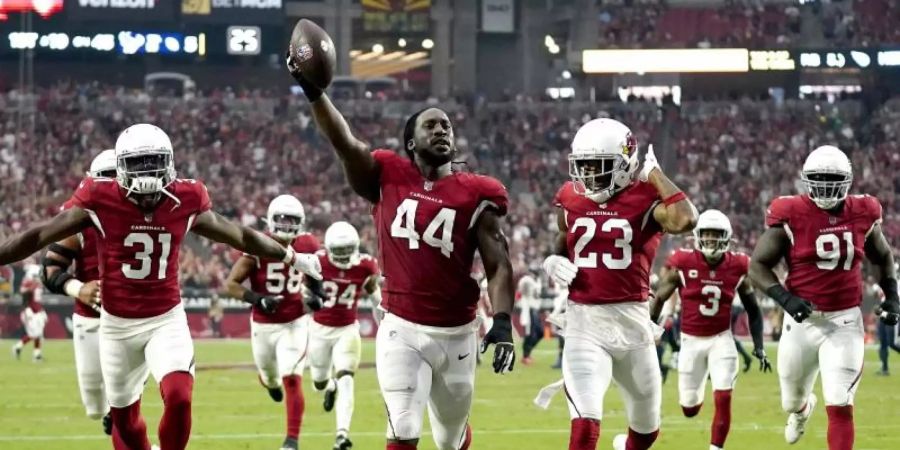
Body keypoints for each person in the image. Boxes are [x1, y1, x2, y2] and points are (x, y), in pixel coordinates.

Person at [0, 123, 322, 450]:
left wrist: (291, 256)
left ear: (168, 161)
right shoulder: (100, 196)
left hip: (165, 320)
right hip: (116, 326)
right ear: (121, 167)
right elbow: (40, 235)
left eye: (152, 160)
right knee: (125, 424)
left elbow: (239, 235)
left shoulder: (186, 197)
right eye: (138, 162)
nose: (146, 170)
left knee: (180, 396)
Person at [287, 50, 516, 450]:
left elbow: (498, 264)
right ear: (411, 141)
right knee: (404, 429)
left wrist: (501, 321)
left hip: (458, 330)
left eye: (447, 125)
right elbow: (344, 141)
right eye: (431, 125)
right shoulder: (388, 173)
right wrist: (313, 91)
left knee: (450, 438)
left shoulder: (477, 192)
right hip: (402, 327)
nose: (442, 130)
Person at [541, 118, 697, 450]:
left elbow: (686, 220)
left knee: (646, 430)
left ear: (626, 164)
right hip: (584, 322)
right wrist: (553, 258)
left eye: (598, 166)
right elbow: (563, 232)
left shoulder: (644, 197)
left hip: (633, 322)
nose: (588, 176)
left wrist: (655, 173)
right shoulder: (570, 196)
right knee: (584, 423)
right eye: (582, 166)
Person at [749, 145, 899, 450]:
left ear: (848, 180)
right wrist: (786, 299)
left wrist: (893, 295)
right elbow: (757, 266)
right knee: (791, 401)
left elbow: (883, 256)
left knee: (840, 402)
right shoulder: (791, 213)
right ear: (806, 179)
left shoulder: (864, 211)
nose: (826, 185)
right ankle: (802, 412)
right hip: (801, 322)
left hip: (845, 321)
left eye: (833, 178)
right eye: (819, 178)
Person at [650, 209, 771, 450]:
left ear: (726, 238)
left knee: (724, 397)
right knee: (689, 408)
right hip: (690, 342)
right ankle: (700, 386)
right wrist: (649, 329)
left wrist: (759, 347)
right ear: (697, 236)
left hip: (721, 340)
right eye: (706, 235)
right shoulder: (683, 263)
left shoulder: (738, 265)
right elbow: (660, 297)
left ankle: (716, 447)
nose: (711, 240)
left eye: (717, 235)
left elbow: (754, 310)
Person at [224, 194, 321, 450]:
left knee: (292, 376)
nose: (287, 225)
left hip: (294, 322)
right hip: (263, 325)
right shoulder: (258, 244)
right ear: (271, 219)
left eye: (292, 220)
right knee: (270, 377)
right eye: (282, 219)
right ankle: (269, 383)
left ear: (300, 222)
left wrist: (316, 295)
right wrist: (257, 299)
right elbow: (231, 285)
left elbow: (314, 272)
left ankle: (291, 440)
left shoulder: (308, 243)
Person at [40, 149, 115, 436]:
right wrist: (78, 288)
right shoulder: (79, 219)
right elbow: (49, 269)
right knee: (96, 406)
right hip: (91, 318)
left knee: (121, 405)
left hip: (133, 319)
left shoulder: (149, 213)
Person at [307, 221, 380, 450]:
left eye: (346, 250)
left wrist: (386, 322)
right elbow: (304, 286)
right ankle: (329, 387)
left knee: (347, 378)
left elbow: (374, 294)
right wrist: (308, 297)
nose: (342, 255)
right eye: (338, 251)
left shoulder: (366, 265)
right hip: (319, 329)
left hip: (347, 329)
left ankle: (342, 435)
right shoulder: (317, 261)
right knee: (318, 383)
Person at [13, 267, 47, 363]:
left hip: (38, 311)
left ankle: (37, 355)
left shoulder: (38, 284)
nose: (38, 277)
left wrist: (41, 310)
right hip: (30, 312)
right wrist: (27, 309)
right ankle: (18, 347)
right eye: (36, 275)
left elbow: (37, 300)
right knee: (35, 334)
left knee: (38, 334)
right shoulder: (28, 283)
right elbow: (24, 296)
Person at [873, 277, 900, 375]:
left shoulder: (897, 283)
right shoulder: (882, 284)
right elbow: (876, 295)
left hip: (893, 313)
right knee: (883, 342)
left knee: (892, 343)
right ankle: (885, 368)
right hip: (883, 314)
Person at [518, 265, 543, 365]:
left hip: (535, 309)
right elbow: (521, 291)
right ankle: (525, 356)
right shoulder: (526, 280)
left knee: (540, 333)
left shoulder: (537, 281)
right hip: (528, 309)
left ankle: (527, 353)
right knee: (530, 333)